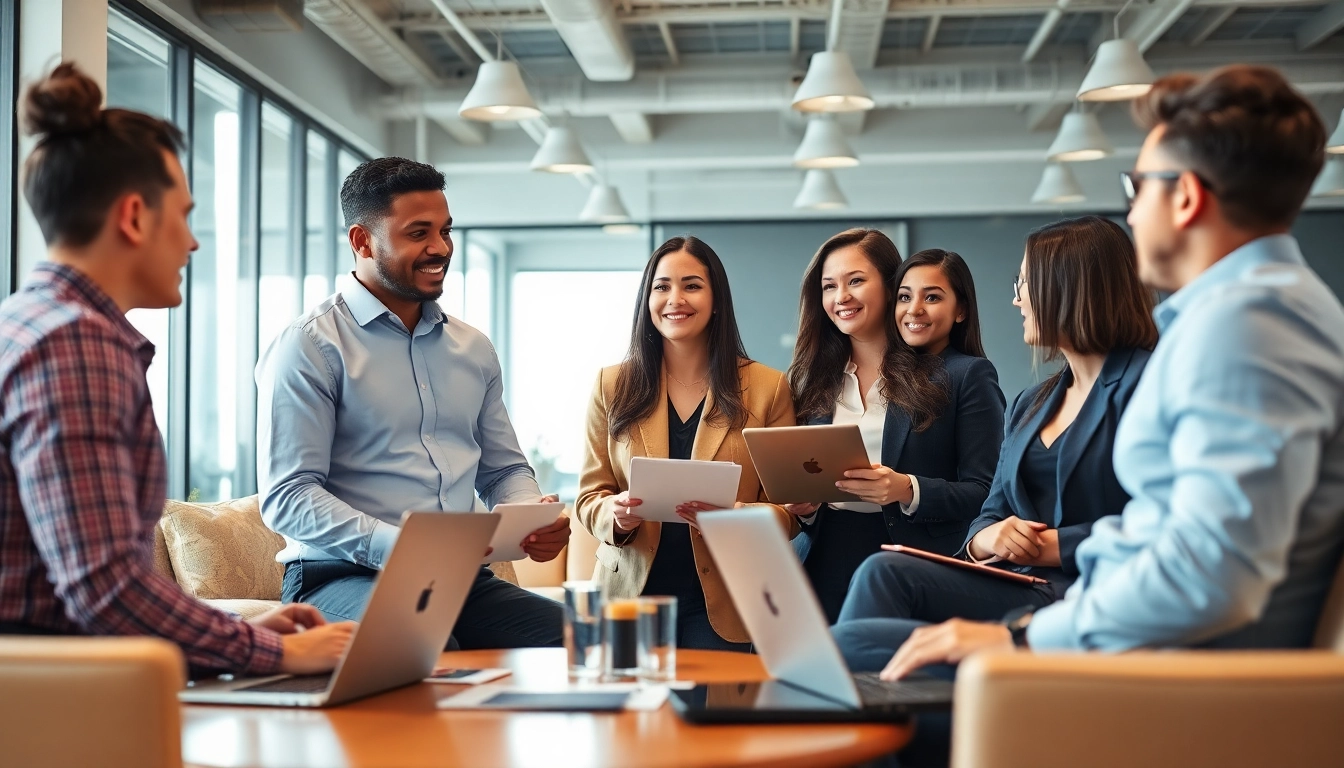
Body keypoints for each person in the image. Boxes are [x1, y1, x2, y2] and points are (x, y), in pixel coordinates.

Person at [869, 65, 1344, 684]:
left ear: (1186, 197)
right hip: (1134, 642)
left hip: (1169, 683)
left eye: (1135, 186)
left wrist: (1019, 638)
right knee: (860, 644)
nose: (1132, 211)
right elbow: (1167, 530)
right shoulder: (1254, 311)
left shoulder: (1245, 326)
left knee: (857, 662)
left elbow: (1208, 575)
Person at [0, 62, 353, 676]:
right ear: (135, 217)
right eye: (184, 216)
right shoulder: (76, 347)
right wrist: (274, 652)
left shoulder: (27, 326)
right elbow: (104, 589)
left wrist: (235, 628)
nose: (192, 243)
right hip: (58, 700)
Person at [256, 157, 568, 649]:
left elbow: (503, 471)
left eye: (446, 231)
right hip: (339, 578)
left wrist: (528, 516)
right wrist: (400, 546)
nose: (440, 248)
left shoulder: (473, 349)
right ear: (362, 241)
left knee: (578, 638)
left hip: (459, 579)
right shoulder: (311, 346)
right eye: (418, 233)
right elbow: (288, 497)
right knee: (428, 641)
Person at [832, 216, 1159, 671]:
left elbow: (1165, 520)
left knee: (850, 648)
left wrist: (1056, 545)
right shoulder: (1033, 403)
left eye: (1025, 283)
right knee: (881, 574)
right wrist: (989, 538)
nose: (1016, 298)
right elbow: (990, 506)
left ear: (1070, 286)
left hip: (1091, 588)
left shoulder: (1150, 385)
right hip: (1023, 583)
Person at [575, 236, 799, 651]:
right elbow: (589, 497)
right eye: (662, 287)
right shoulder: (611, 385)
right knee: (625, 716)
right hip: (628, 597)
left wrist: (737, 515)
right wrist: (616, 515)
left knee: (698, 715)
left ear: (716, 301)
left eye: (692, 285)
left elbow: (790, 514)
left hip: (725, 604)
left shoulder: (768, 388)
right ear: (647, 299)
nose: (675, 299)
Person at [785, 233, 1006, 623]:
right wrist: (804, 509)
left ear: (891, 286)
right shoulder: (812, 380)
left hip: (910, 564)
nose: (841, 297)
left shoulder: (959, 375)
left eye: (855, 281)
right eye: (829, 286)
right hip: (820, 561)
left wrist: (908, 489)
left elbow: (986, 494)